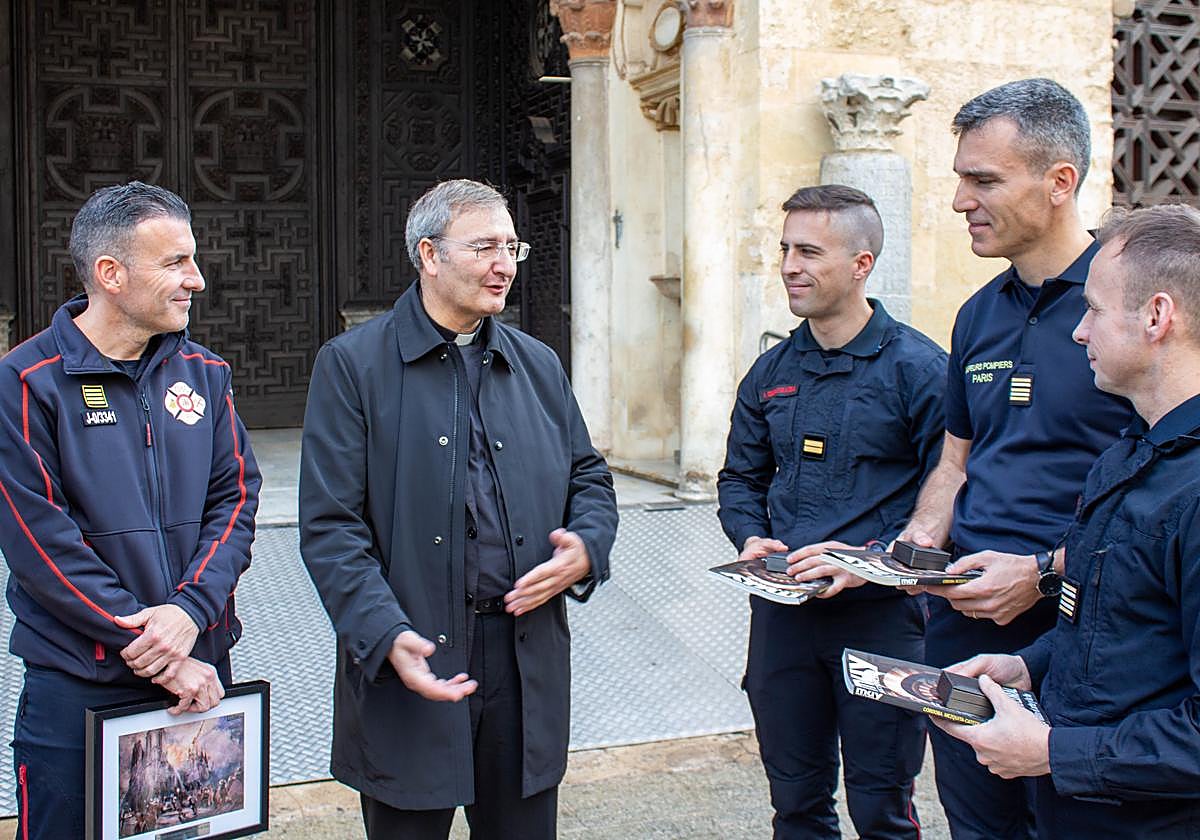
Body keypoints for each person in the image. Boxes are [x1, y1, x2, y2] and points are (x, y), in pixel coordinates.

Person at [299, 178, 618, 839]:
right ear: (429, 255)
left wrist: (588, 544)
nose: (505, 264)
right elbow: (332, 528)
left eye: (512, 247)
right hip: (412, 657)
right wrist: (383, 632)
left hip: (523, 663)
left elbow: (589, 476)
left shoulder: (537, 365)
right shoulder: (353, 367)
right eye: (484, 247)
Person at [897, 79, 1133, 838]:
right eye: (960, 177)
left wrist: (1040, 571)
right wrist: (919, 545)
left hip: (1080, 633)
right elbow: (957, 458)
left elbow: (1166, 498)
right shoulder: (976, 315)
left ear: (1060, 181)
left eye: (984, 179)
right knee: (978, 824)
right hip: (965, 630)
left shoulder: (1129, 314)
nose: (961, 199)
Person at [0, 181, 260, 839]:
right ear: (111, 274)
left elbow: (234, 500)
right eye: (175, 262)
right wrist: (155, 646)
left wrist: (188, 614)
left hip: (198, 675)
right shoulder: (27, 383)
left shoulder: (206, 374)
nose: (196, 280)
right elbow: (41, 542)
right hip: (82, 685)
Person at [934, 204, 1200, 838]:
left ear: (1157, 317)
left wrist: (1053, 753)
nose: (1078, 332)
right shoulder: (1130, 456)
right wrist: (1029, 666)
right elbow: (1120, 620)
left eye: (1094, 310)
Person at [717, 185, 947, 839]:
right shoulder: (770, 371)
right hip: (784, 625)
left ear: (861, 263)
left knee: (883, 808)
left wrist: (877, 561)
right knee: (796, 805)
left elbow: (954, 489)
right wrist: (752, 536)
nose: (790, 264)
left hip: (885, 622)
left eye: (809, 251)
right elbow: (740, 477)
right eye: (786, 248)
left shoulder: (921, 371)